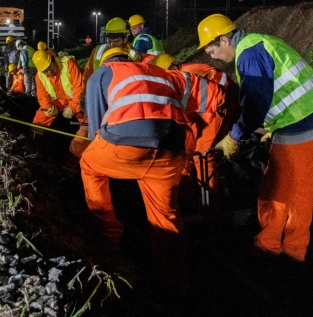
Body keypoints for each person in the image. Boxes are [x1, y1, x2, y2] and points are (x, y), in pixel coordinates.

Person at [198, 13, 313, 262]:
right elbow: (274, 92)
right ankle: (295, 248)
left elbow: (255, 103)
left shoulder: (249, 53)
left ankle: (268, 245)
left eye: (212, 51)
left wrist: (234, 136)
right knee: (301, 185)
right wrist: (272, 128)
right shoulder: (258, 43)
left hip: (299, 122)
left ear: (224, 40)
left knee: (276, 186)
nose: (214, 58)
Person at [81, 47, 192, 291]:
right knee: (165, 215)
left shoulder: (101, 74)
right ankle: (174, 281)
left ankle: (107, 237)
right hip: (171, 149)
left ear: (105, 61)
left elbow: (97, 130)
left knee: (89, 163)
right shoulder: (155, 70)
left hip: (127, 145)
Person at [150, 53, 240, 211]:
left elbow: (225, 91)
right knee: (187, 151)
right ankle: (190, 197)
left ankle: (211, 203)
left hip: (219, 105)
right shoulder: (183, 76)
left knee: (203, 154)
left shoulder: (190, 73)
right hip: (203, 109)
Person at [82, 17, 139, 83]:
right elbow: (87, 76)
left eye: (116, 41)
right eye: (109, 41)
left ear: (125, 39)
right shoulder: (97, 51)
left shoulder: (133, 56)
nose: (112, 45)